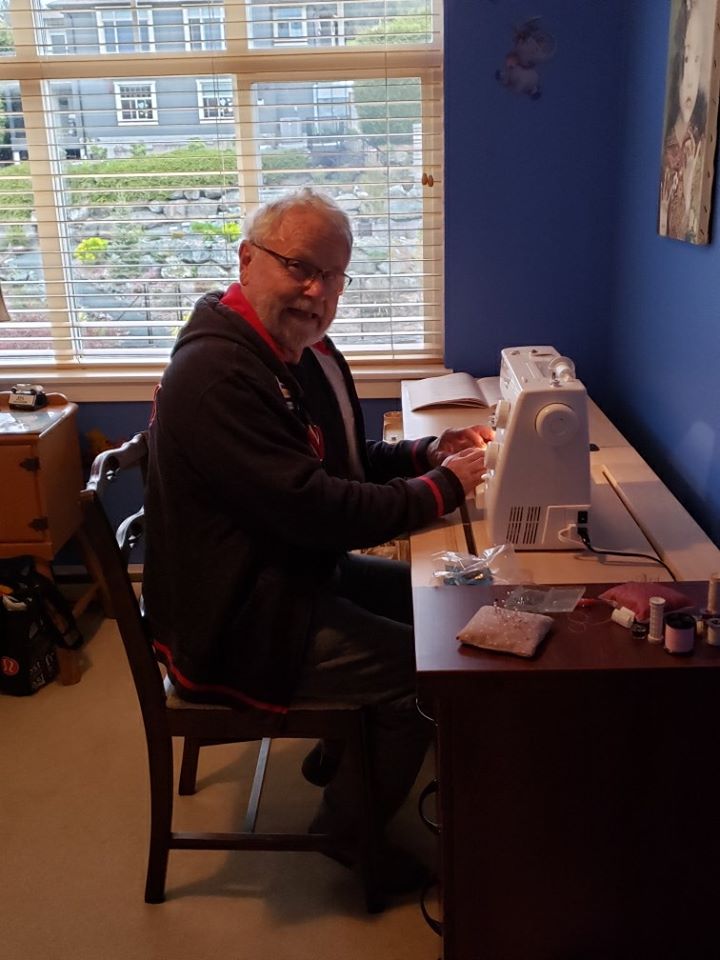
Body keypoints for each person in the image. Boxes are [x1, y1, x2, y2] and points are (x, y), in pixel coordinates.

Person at [143, 187, 489, 896]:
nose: (317, 291)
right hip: (237, 620)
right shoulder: (219, 375)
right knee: (426, 672)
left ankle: (348, 749)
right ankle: (345, 834)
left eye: (333, 275)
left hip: (283, 574)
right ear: (247, 259)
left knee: (439, 606)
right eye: (300, 267)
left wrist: (424, 455)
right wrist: (444, 490)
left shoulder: (285, 351)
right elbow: (318, 509)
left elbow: (336, 462)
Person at [659, 0, 711, 242]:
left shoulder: (698, 147)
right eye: (687, 60)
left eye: (698, 61)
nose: (690, 80)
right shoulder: (668, 147)